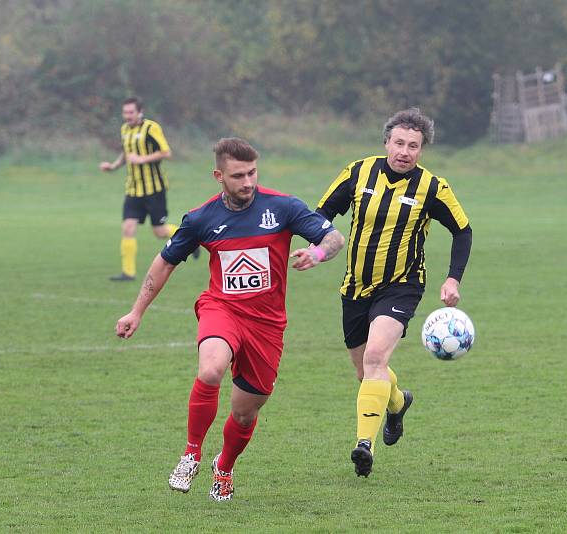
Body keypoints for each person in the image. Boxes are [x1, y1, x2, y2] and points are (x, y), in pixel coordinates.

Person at [115, 137, 345, 501]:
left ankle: (223, 466)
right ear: (218, 175)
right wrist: (137, 310)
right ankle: (191, 453)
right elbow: (165, 262)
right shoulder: (201, 218)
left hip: (267, 325)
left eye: (252, 172)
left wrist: (317, 253)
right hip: (221, 309)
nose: (248, 182)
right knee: (210, 370)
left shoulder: (283, 207)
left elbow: (334, 237)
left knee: (243, 413)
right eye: (238, 175)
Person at [315, 108, 472, 477]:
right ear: (386, 142)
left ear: (421, 150)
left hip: (401, 286)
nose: (405, 151)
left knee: (374, 359)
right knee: (366, 372)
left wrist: (453, 279)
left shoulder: (433, 188)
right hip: (355, 286)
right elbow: (321, 213)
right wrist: (317, 248)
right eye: (399, 143)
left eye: (413, 146)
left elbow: (462, 231)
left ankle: (363, 445)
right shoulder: (357, 172)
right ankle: (398, 404)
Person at [100, 96, 197, 282]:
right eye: (125, 112)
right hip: (133, 189)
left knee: (159, 231)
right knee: (128, 228)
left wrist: (142, 159)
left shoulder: (151, 128)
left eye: (131, 112)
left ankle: (191, 240)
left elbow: (166, 152)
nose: (127, 116)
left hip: (154, 189)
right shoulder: (124, 130)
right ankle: (128, 273)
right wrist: (112, 167)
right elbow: (126, 153)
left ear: (140, 112)